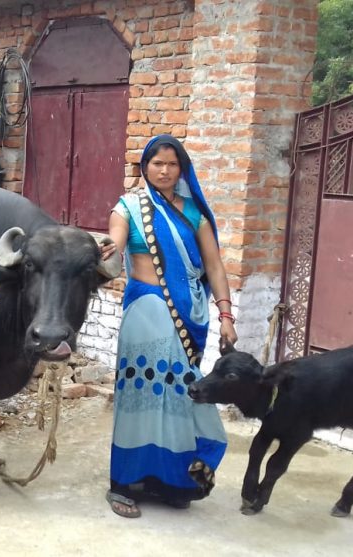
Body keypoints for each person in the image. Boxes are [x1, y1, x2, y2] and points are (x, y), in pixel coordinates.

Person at [99, 134, 238, 517]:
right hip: (146, 312)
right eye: (157, 163)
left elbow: (214, 267)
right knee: (142, 399)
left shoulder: (194, 213)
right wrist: (105, 249)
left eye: (172, 164)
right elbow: (115, 242)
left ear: (182, 169)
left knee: (179, 398)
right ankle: (124, 483)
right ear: (145, 167)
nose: (164, 170)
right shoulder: (129, 207)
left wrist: (226, 315)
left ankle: (172, 481)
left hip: (190, 316)